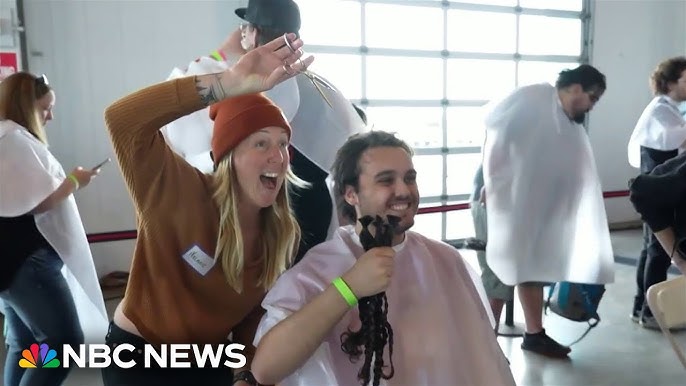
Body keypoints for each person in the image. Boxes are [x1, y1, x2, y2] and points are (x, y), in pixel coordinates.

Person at [100, 34, 312, 386]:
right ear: (228, 157)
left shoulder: (279, 230)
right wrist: (226, 84)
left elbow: (252, 315)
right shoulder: (179, 191)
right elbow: (122, 121)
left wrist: (245, 373)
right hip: (139, 357)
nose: (279, 156)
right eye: (261, 143)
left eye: (283, 144)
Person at [250, 131, 515, 386]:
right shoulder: (318, 269)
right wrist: (348, 288)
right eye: (386, 180)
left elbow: (483, 361)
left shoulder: (445, 260)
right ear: (350, 194)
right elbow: (266, 368)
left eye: (410, 178)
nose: (404, 190)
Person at [161, 0, 367, 264]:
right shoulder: (320, 90)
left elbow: (175, 126)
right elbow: (352, 143)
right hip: (310, 226)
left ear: (254, 33)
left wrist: (222, 53)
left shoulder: (227, 81)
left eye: (244, 28)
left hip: (245, 229)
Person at [481, 64, 615, 358]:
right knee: (500, 269)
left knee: (531, 266)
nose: (591, 106)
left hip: (529, 203)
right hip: (497, 197)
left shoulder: (567, 122)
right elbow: (497, 134)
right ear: (577, 88)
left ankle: (534, 335)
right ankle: (484, 345)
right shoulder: (534, 98)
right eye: (592, 98)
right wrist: (492, 184)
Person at [0, 72, 108, 386]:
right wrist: (74, 181)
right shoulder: (14, 140)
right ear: (25, 106)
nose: (50, 116)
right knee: (62, 342)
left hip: (13, 263)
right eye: (45, 108)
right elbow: (35, 200)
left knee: (27, 345)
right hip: (28, 262)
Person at [626, 56, 686, 328]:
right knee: (657, 252)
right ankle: (650, 311)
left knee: (651, 251)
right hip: (659, 190)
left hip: (659, 188)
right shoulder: (662, 110)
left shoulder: (672, 108)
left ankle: (643, 307)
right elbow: (679, 139)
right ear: (671, 81)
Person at [469, 164, 513, 328]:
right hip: (494, 199)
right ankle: (486, 342)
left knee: (503, 273)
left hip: (508, 199)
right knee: (497, 272)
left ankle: (487, 341)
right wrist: (492, 183)